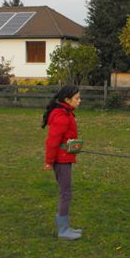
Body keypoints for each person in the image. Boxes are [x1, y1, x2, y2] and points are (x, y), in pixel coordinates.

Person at [42, 85, 83, 240]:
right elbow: (52, 142)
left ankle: (65, 227)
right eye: (77, 98)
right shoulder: (62, 116)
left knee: (66, 192)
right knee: (65, 194)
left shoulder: (67, 113)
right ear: (67, 100)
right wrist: (49, 161)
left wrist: (73, 145)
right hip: (61, 160)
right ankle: (63, 230)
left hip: (64, 157)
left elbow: (64, 138)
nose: (80, 101)